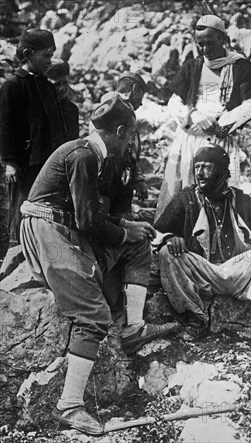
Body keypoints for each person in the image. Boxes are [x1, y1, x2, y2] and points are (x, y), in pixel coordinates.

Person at [19, 96, 180, 435]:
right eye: (130, 135)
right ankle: (70, 406)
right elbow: (89, 219)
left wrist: (130, 230)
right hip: (50, 231)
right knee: (93, 314)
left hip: (71, 231)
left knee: (136, 243)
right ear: (120, 131)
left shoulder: (103, 158)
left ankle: (134, 327)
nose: (131, 143)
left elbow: (101, 217)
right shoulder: (83, 155)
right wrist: (123, 229)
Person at [153, 144, 251, 349]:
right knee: (167, 252)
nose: (199, 173)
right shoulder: (186, 198)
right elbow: (156, 233)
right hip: (203, 272)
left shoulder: (242, 200)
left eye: (207, 167)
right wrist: (170, 237)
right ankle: (196, 320)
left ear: (222, 170)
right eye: (197, 167)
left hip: (239, 270)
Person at [156, 14, 251, 219]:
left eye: (210, 43)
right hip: (189, 139)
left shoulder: (240, 66)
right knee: (184, 195)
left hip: (219, 141)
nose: (205, 49)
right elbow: (173, 102)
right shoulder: (193, 66)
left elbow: (250, 104)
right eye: (201, 44)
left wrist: (221, 123)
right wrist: (194, 114)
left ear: (223, 39)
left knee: (218, 198)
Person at [0, 29, 70, 248]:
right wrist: (10, 162)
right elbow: (5, 126)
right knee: (20, 208)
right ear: (28, 53)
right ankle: (13, 255)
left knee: (42, 211)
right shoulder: (13, 85)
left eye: (51, 55)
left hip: (45, 162)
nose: (49, 61)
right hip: (23, 163)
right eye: (45, 55)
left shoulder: (46, 86)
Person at [95, 72, 148, 220]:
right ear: (135, 89)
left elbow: (130, 150)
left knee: (123, 220)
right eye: (141, 96)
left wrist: (138, 178)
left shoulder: (125, 109)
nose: (142, 103)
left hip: (123, 177)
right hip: (108, 176)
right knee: (104, 220)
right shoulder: (111, 107)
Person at [45, 58, 79, 141]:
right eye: (56, 84)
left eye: (65, 83)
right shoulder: (36, 108)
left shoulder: (71, 109)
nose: (62, 88)